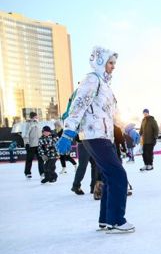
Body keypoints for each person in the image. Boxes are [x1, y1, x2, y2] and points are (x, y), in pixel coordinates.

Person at [57, 46, 134, 234]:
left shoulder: (105, 86)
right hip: (94, 135)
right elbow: (78, 105)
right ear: (100, 62)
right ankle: (116, 220)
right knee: (118, 175)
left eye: (114, 63)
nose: (113, 66)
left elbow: (113, 114)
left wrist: (127, 128)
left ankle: (106, 220)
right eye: (110, 63)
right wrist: (68, 132)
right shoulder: (92, 79)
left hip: (102, 136)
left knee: (109, 176)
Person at [23, 111, 44, 179]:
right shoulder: (28, 124)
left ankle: (42, 172)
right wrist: (26, 143)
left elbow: (41, 134)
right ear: (32, 117)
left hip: (39, 144)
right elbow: (25, 134)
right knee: (29, 159)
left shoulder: (38, 123)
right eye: (35, 116)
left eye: (36, 116)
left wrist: (42, 142)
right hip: (31, 145)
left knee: (41, 159)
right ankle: (27, 172)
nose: (37, 117)